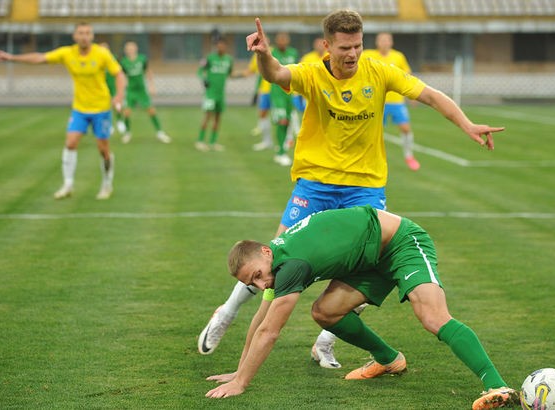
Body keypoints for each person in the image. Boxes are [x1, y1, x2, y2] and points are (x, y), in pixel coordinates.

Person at [197, 10, 504, 370]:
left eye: (358, 45)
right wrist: (264, 55)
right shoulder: (312, 74)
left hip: (364, 187)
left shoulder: (379, 71)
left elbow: (430, 95)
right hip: (316, 183)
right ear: (327, 46)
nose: (353, 53)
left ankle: (326, 341)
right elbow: (276, 74)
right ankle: (227, 312)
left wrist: (466, 123)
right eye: (345, 47)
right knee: (273, 260)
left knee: (368, 266)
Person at [205, 206, 519, 409]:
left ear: (264, 251)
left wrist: (241, 383)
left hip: (401, 244)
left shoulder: (290, 266)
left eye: (258, 276)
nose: (261, 284)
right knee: (325, 312)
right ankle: (389, 360)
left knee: (432, 317)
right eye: (253, 283)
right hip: (368, 260)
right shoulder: (276, 261)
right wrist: (239, 370)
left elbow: (270, 332)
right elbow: (261, 319)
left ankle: (497, 386)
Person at [0, 22, 125, 200]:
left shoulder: (102, 54)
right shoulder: (67, 53)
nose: (84, 36)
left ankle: (107, 184)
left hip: (101, 108)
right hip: (79, 108)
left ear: (92, 36)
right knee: (70, 143)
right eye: (81, 33)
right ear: (75, 36)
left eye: (88, 33)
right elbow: (40, 58)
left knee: (103, 149)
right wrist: (12, 57)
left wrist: (119, 96)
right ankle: (68, 185)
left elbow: (119, 74)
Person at [362, 33, 420, 170]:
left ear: (391, 42)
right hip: (376, 102)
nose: (384, 43)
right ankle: (369, 159)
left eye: (387, 40)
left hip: (396, 101)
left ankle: (409, 156)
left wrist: (412, 95)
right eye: (381, 40)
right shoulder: (368, 55)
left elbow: (407, 76)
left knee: (405, 129)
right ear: (377, 42)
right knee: (372, 133)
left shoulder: (398, 56)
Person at [118, 41, 171, 144]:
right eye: (128, 49)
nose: (130, 50)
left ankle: (160, 132)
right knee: (127, 112)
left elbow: (148, 71)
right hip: (131, 91)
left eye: (132, 48)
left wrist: (152, 86)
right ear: (125, 50)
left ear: (136, 48)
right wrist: (122, 88)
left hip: (141, 90)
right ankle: (127, 133)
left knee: (151, 111)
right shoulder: (124, 62)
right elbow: (121, 75)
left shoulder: (142, 59)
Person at [196, 38, 235, 152]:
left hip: (221, 94)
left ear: (226, 46)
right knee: (207, 116)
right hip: (210, 93)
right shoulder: (210, 58)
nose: (220, 47)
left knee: (218, 118)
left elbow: (230, 74)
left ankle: (213, 142)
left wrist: (244, 74)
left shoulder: (229, 59)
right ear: (216, 46)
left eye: (222, 45)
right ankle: (200, 141)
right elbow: (200, 71)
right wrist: (204, 79)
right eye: (218, 45)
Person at [268, 32, 299, 166]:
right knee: (282, 121)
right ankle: (280, 152)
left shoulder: (293, 53)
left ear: (288, 41)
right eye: (279, 40)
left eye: (284, 40)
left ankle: (282, 149)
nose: (282, 42)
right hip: (277, 93)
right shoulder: (272, 53)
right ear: (276, 41)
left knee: (287, 122)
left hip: (289, 94)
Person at [245, 54, 274, 151]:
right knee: (263, 115)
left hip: (277, 90)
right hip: (265, 90)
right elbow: (255, 72)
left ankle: (288, 141)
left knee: (281, 117)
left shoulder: (273, 52)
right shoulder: (256, 55)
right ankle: (267, 141)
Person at [99, 42, 124, 135]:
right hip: (102, 85)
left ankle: (120, 121)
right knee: (105, 106)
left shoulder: (114, 58)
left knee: (116, 104)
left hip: (113, 84)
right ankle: (109, 125)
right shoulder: (96, 59)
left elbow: (120, 71)